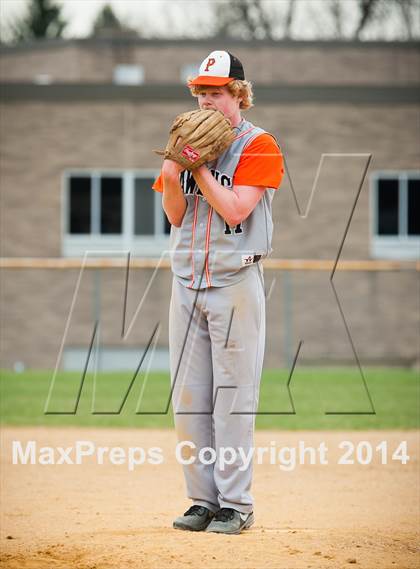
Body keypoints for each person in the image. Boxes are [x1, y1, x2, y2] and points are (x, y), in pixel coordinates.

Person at [152, 50, 284, 534]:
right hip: (187, 282)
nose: (206, 101)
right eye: (201, 92)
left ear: (239, 95)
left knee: (232, 397)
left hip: (234, 283)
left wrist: (198, 167)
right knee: (190, 400)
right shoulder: (186, 140)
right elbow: (174, 215)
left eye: (216, 92)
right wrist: (172, 172)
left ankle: (237, 504)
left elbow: (234, 210)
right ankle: (203, 500)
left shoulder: (259, 144)